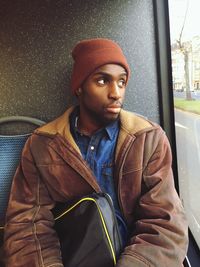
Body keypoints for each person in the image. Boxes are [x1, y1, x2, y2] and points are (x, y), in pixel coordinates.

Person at [4, 38, 188, 267]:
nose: (116, 93)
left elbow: (165, 222)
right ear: (79, 87)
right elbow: (27, 225)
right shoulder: (43, 145)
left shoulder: (148, 139)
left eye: (122, 82)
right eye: (102, 81)